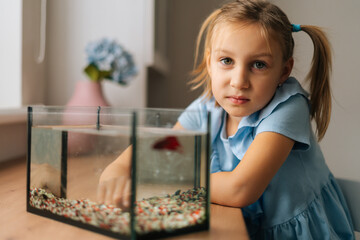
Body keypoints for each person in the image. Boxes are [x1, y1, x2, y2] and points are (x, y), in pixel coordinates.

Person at [98, 0, 355, 238]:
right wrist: (117, 171)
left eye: (259, 65)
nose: (239, 81)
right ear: (210, 63)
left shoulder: (288, 108)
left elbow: (240, 189)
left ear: (283, 71)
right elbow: (154, 152)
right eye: (227, 61)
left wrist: (166, 178)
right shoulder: (207, 107)